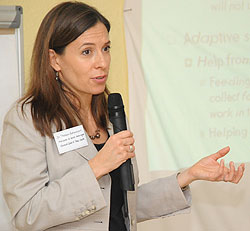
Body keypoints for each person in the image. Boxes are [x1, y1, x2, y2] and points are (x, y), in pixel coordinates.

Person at [0, 1, 245, 231]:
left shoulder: (110, 113)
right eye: (87, 52)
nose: (102, 62)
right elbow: (27, 214)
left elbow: (122, 204)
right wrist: (96, 167)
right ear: (55, 60)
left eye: (106, 49)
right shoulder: (27, 119)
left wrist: (188, 175)